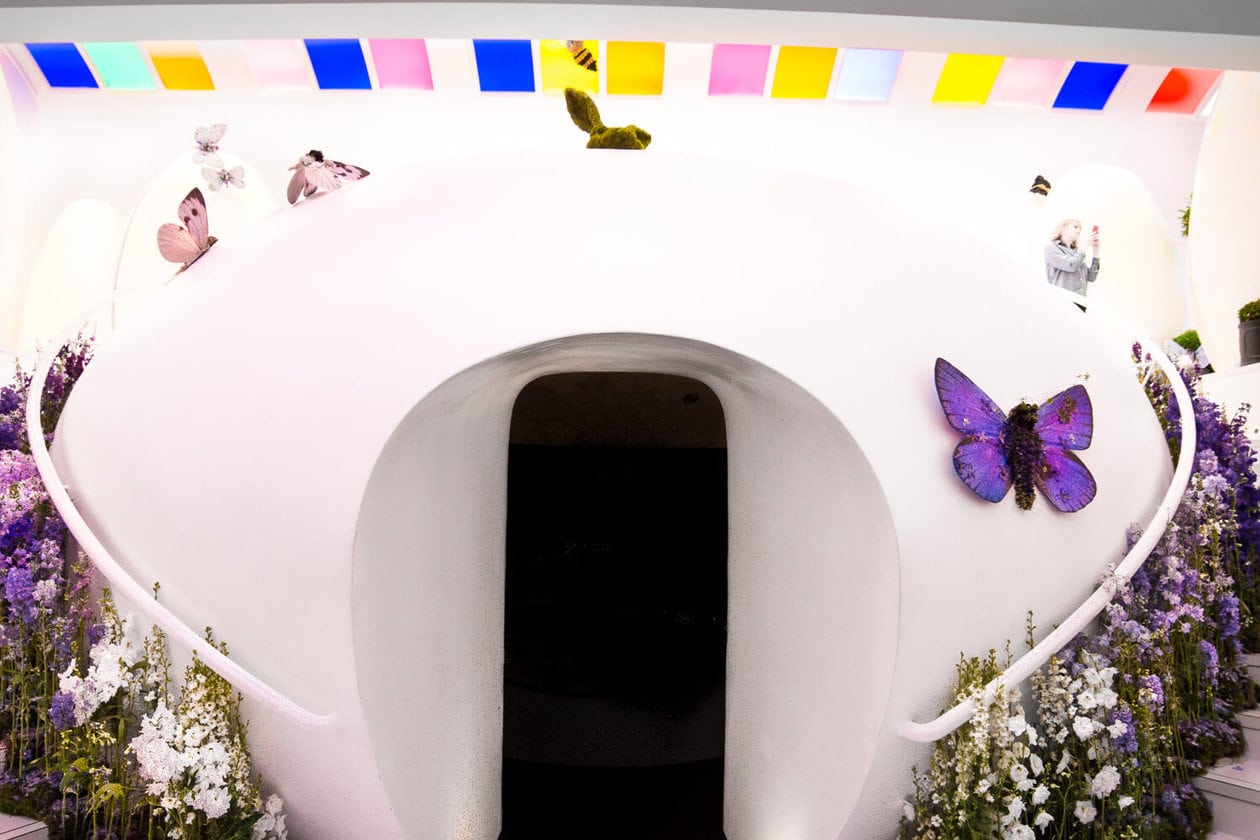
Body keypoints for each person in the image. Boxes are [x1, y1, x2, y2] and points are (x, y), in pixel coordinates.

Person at [1044, 219, 1100, 295]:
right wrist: (1084, 246)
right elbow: (1071, 265)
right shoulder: (1051, 247)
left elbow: (1091, 277)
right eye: (1075, 227)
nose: (1079, 231)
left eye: (1080, 229)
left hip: (1080, 302)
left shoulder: (1076, 253)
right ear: (1063, 228)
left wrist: (1096, 250)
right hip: (1061, 300)